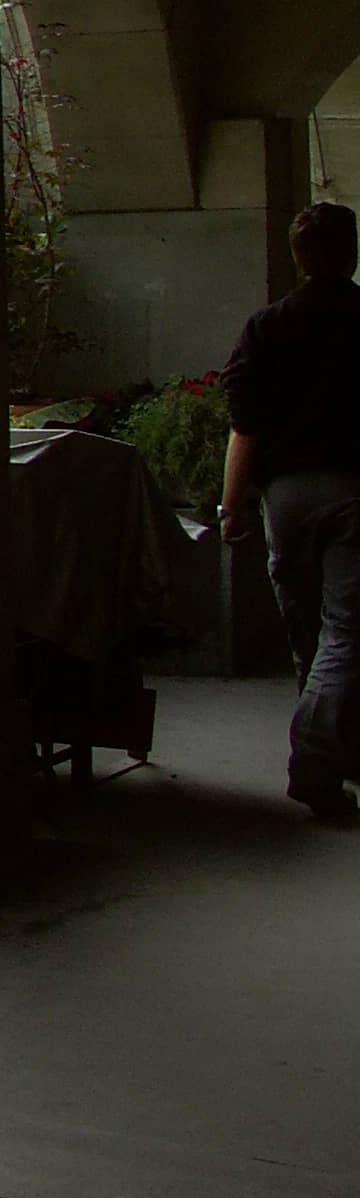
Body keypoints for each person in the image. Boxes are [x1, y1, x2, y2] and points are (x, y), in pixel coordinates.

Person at [220, 200, 360, 822]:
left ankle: (334, 748)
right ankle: (317, 761)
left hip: (286, 497)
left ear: (297, 257)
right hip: (355, 494)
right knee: (348, 633)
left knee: (308, 631)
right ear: (352, 252)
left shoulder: (266, 327)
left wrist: (230, 505)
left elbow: (244, 427)